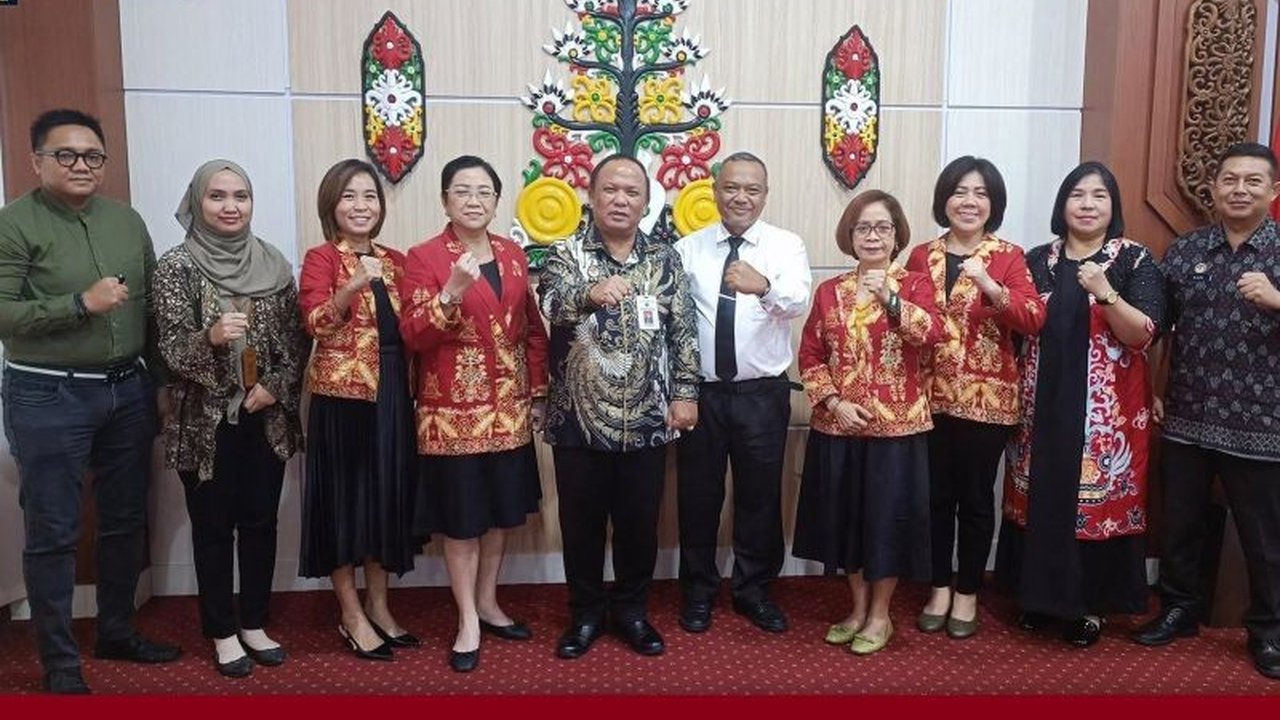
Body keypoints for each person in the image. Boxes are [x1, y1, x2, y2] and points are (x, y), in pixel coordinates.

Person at [0, 108, 181, 694]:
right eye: (66, 155)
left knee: (125, 519)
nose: (81, 165)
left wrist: (159, 382)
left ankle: (116, 631)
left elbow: (153, 310)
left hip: (126, 390)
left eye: (92, 156)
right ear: (37, 161)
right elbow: (4, 314)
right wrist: (79, 304)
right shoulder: (14, 224)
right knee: (52, 529)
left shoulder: (125, 222)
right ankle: (58, 662)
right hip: (47, 393)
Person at [995, 162, 1166, 647]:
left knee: (1092, 501)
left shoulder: (1133, 261)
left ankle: (1089, 606)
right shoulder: (1034, 260)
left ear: (1113, 208)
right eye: (1077, 194)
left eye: (1099, 196)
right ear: (1062, 204)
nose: (1087, 204)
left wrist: (1105, 293)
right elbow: (1015, 323)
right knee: (1038, 498)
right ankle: (1037, 598)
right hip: (1041, 403)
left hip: (1105, 413)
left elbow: (1142, 336)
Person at [538, 154, 700, 660]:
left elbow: (683, 329)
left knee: (638, 524)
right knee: (581, 525)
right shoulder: (565, 252)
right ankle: (584, 614)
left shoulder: (665, 258)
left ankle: (632, 611)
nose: (621, 199)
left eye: (632, 192)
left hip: (650, 419)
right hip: (578, 423)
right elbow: (549, 302)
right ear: (591, 195)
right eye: (611, 189)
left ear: (646, 203)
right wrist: (590, 292)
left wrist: (687, 392)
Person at [153, 159, 306, 678]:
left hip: (266, 416)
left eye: (241, 196)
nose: (230, 206)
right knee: (213, 527)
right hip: (204, 423)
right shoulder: (176, 266)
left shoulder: (274, 265)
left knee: (262, 521)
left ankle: (255, 621)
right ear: (197, 201)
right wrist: (211, 338)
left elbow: (296, 345)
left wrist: (275, 388)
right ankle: (221, 629)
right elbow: (169, 349)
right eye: (218, 196)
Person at [1133, 142, 1280, 681]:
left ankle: (1268, 631)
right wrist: (1151, 387)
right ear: (1214, 189)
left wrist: (1277, 299)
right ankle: (1178, 609)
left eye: (1253, 182)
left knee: (1264, 537)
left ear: (1273, 191)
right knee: (1181, 525)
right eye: (1230, 180)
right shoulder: (1186, 251)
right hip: (1189, 414)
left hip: (1263, 423)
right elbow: (1156, 332)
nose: (1240, 190)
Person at [400, 155, 548, 672]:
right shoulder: (423, 257)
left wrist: (536, 390)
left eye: (484, 191)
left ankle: (488, 601)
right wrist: (450, 294)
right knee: (461, 522)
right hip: (451, 414)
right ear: (445, 200)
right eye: (461, 191)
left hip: (507, 411)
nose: (473, 200)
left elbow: (530, 327)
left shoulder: (512, 254)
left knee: (500, 514)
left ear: (496, 200)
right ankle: (466, 618)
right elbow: (413, 336)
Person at [794, 190, 942, 655]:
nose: (873, 236)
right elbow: (811, 356)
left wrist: (891, 299)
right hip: (840, 427)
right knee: (848, 523)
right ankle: (857, 608)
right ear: (850, 236)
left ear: (897, 235)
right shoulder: (829, 291)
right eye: (863, 228)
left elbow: (932, 334)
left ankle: (881, 616)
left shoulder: (916, 284)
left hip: (897, 431)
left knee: (886, 524)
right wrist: (834, 402)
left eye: (882, 227)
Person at [905, 156, 1045, 639]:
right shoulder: (922, 255)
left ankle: (968, 590)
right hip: (929, 395)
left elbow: (1032, 318)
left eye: (981, 193)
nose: (969, 201)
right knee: (936, 497)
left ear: (994, 204)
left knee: (976, 499)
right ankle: (938, 586)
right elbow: (910, 319)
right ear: (945, 198)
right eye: (960, 191)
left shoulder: (1008, 255)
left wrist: (992, 287)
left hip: (988, 399)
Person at [673, 151, 811, 634]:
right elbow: (676, 324)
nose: (741, 197)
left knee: (759, 498)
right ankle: (698, 591)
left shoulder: (785, 245)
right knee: (698, 498)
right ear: (715, 191)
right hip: (702, 395)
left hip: (762, 395)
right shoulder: (688, 249)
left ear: (765, 196)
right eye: (732, 187)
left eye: (752, 189)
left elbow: (797, 299)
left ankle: (754, 590)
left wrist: (763, 285)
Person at [298, 159, 419, 663]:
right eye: (349, 197)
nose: (361, 206)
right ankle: (350, 613)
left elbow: (414, 327)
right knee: (345, 506)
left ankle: (381, 607)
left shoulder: (397, 260)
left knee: (385, 502)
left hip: (394, 392)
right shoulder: (322, 257)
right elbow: (315, 323)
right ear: (331, 205)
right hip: (342, 399)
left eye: (369, 196)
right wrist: (350, 287)